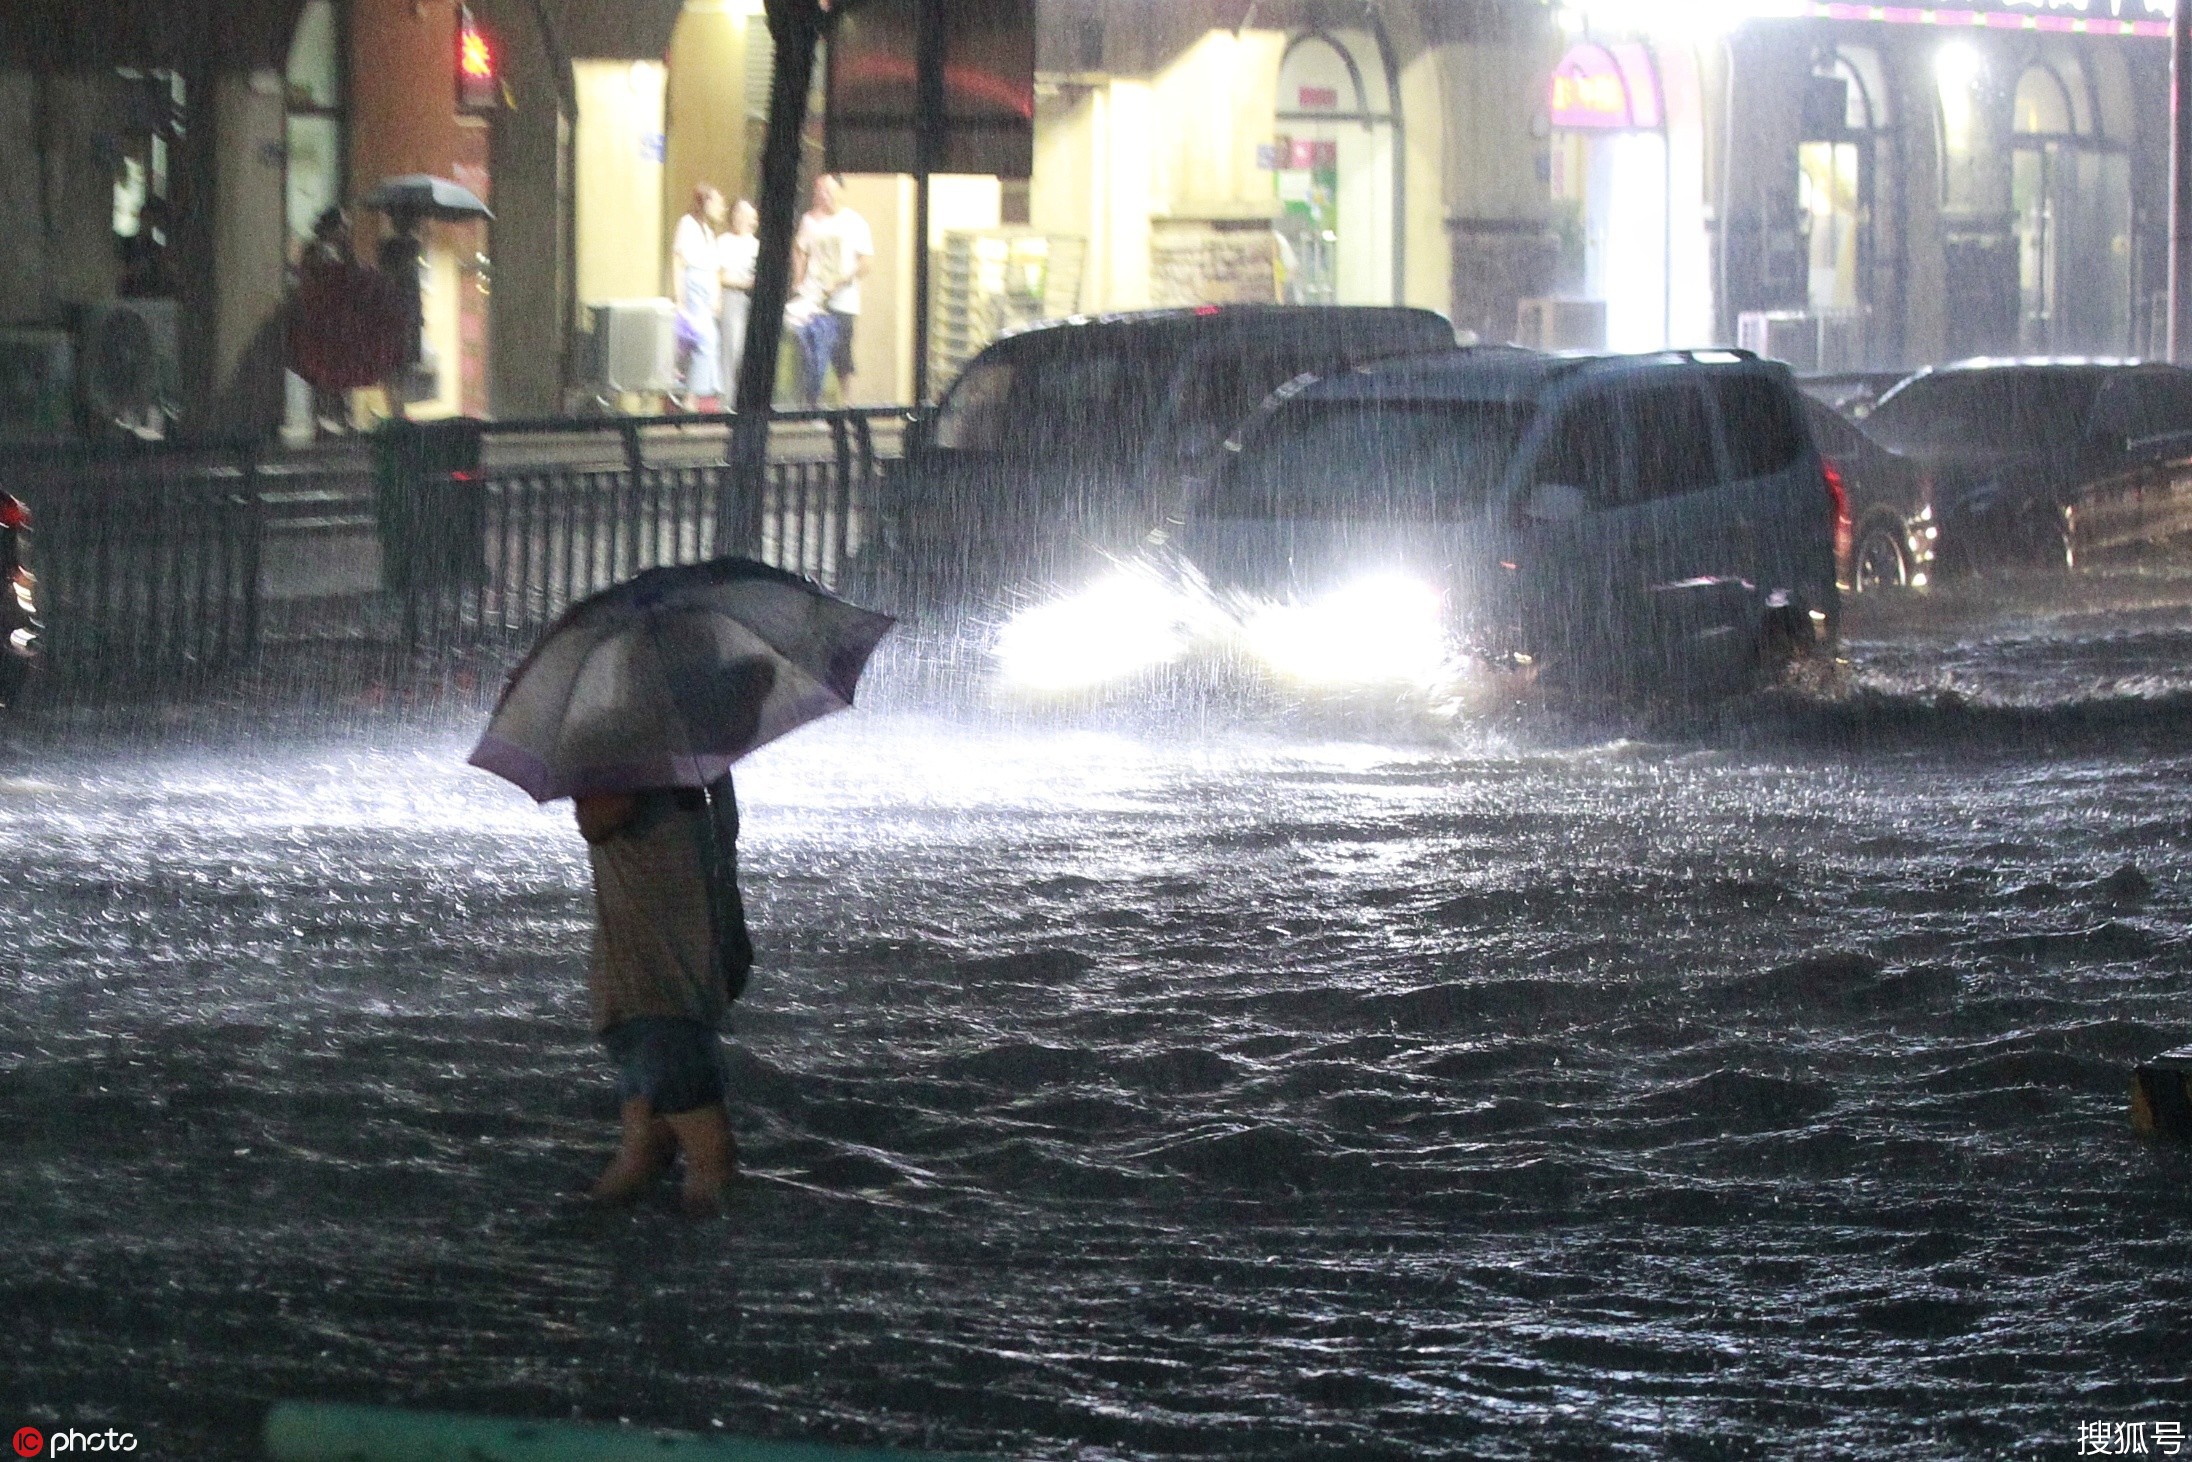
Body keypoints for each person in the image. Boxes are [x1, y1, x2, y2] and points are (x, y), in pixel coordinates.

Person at [576, 760, 756, 1217]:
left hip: (684, 993)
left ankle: (564, 1254)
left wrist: (730, 944)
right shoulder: (629, 755)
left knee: (647, 1153)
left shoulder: (707, 763)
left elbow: (716, 863)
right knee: (714, 1159)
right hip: (651, 994)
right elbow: (595, 821)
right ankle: (710, 1282)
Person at [791, 174, 874, 405]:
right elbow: (799, 249)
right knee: (812, 349)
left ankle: (844, 404)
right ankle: (810, 403)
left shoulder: (854, 222)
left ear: (840, 191)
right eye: (819, 190)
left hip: (843, 300)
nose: (822, 195)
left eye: (828, 190)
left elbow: (866, 261)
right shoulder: (809, 221)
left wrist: (840, 281)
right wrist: (798, 280)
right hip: (812, 298)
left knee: (842, 353)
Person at [671, 184, 727, 411]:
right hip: (692, 287)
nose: (722, 207)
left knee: (707, 342)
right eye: (717, 202)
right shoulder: (688, 225)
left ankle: (691, 399)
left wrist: (717, 296)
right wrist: (679, 297)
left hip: (706, 289)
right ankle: (690, 400)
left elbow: (714, 269)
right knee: (705, 340)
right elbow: (678, 260)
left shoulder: (709, 233)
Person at [717, 199, 759, 405]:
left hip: (750, 304)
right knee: (730, 351)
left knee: (745, 353)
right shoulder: (724, 242)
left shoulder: (757, 245)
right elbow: (720, 277)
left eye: (749, 215)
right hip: (731, 299)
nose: (744, 219)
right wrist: (745, 283)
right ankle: (727, 403)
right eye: (740, 214)